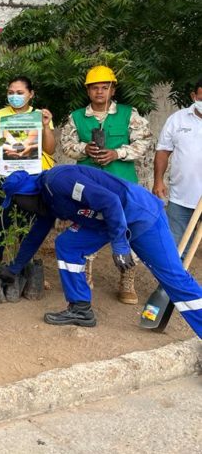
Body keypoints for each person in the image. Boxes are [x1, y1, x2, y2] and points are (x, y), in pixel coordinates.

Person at [0, 166, 202, 336]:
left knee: (173, 278)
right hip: (105, 223)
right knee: (67, 244)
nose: (18, 208)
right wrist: (15, 268)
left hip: (140, 216)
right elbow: (36, 235)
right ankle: (80, 309)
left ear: (25, 193)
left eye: (16, 202)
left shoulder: (58, 182)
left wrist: (120, 245)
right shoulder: (47, 199)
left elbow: (110, 201)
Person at [60, 65, 153, 304]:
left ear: (112, 90)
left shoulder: (128, 114)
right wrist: (84, 149)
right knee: (87, 225)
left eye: (104, 87)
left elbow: (144, 142)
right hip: (89, 186)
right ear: (88, 91)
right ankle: (86, 277)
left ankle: (127, 281)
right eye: (94, 88)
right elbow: (67, 146)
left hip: (122, 184)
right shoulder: (77, 117)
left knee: (127, 230)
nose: (99, 92)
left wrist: (117, 153)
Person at [0, 76, 55, 264]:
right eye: (11, 92)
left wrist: (45, 126)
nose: (15, 96)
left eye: (20, 93)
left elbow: (50, 149)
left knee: (26, 222)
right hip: (2, 175)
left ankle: (22, 265)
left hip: (31, 176)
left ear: (31, 94)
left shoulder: (40, 115)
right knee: (0, 220)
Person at [153, 79, 202, 244]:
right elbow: (162, 152)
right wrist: (158, 181)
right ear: (193, 96)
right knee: (176, 244)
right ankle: (178, 270)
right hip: (181, 196)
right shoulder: (177, 119)